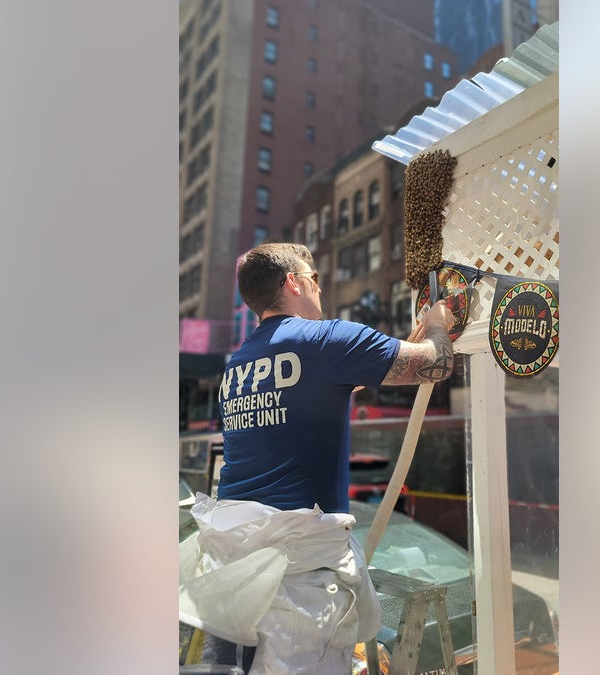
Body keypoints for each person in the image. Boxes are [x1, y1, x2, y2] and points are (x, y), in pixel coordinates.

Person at [179, 242, 455, 674]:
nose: (319, 289)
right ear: (293, 282)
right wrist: (438, 327)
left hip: (233, 578)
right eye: (314, 278)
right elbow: (434, 365)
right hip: (300, 595)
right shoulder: (328, 341)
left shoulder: (237, 366)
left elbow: (322, 388)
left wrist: (397, 347)